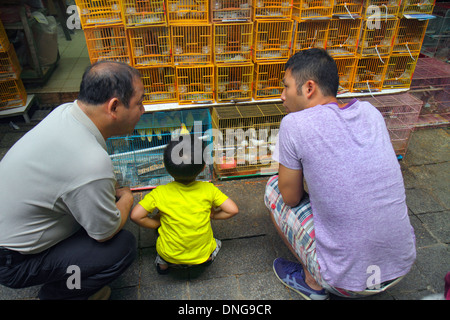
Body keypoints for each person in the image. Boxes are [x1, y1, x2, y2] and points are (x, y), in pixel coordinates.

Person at [264, 48, 416, 300]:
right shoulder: (371, 113)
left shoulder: (294, 124)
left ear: (308, 88)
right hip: (400, 266)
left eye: (286, 87)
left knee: (274, 188)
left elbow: (290, 198)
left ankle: (312, 281)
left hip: (348, 284)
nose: (282, 96)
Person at [0, 61, 145, 299]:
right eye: (139, 103)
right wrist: (128, 199)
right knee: (120, 248)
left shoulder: (66, 111)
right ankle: (60, 294)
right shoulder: (89, 163)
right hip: (12, 261)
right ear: (114, 107)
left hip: (11, 227)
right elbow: (104, 232)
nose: (143, 110)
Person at [131, 135, 239, 274]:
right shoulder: (208, 189)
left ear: (166, 167)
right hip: (201, 256)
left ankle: (163, 264)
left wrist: (157, 223)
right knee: (215, 242)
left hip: (170, 255)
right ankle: (207, 259)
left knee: (161, 238)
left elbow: (135, 216)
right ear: (203, 168)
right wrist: (213, 215)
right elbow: (233, 210)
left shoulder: (160, 193)